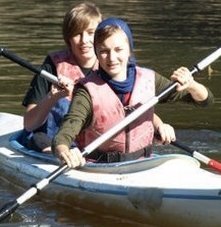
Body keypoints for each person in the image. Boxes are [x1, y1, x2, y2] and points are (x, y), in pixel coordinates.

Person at [52, 17, 212, 168]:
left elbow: (206, 101)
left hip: (143, 164)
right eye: (104, 51)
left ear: (129, 50)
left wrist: (192, 85)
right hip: (100, 167)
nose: (112, 58)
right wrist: (65, 153)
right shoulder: (86, 91)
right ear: (97, 53)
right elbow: (62, 137)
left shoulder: (150, 79)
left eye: (118, 50)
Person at [21, 2, 102, 151]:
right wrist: (53, 96)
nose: (84, 40)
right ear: (68, 38)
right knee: (39, 138)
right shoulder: (52, 66)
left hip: (95, 142)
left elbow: (133, 105)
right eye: (77, 34)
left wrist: (156, 124)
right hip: (51, 141)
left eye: (91, 33)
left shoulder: (111, 64)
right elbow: (29, 124)